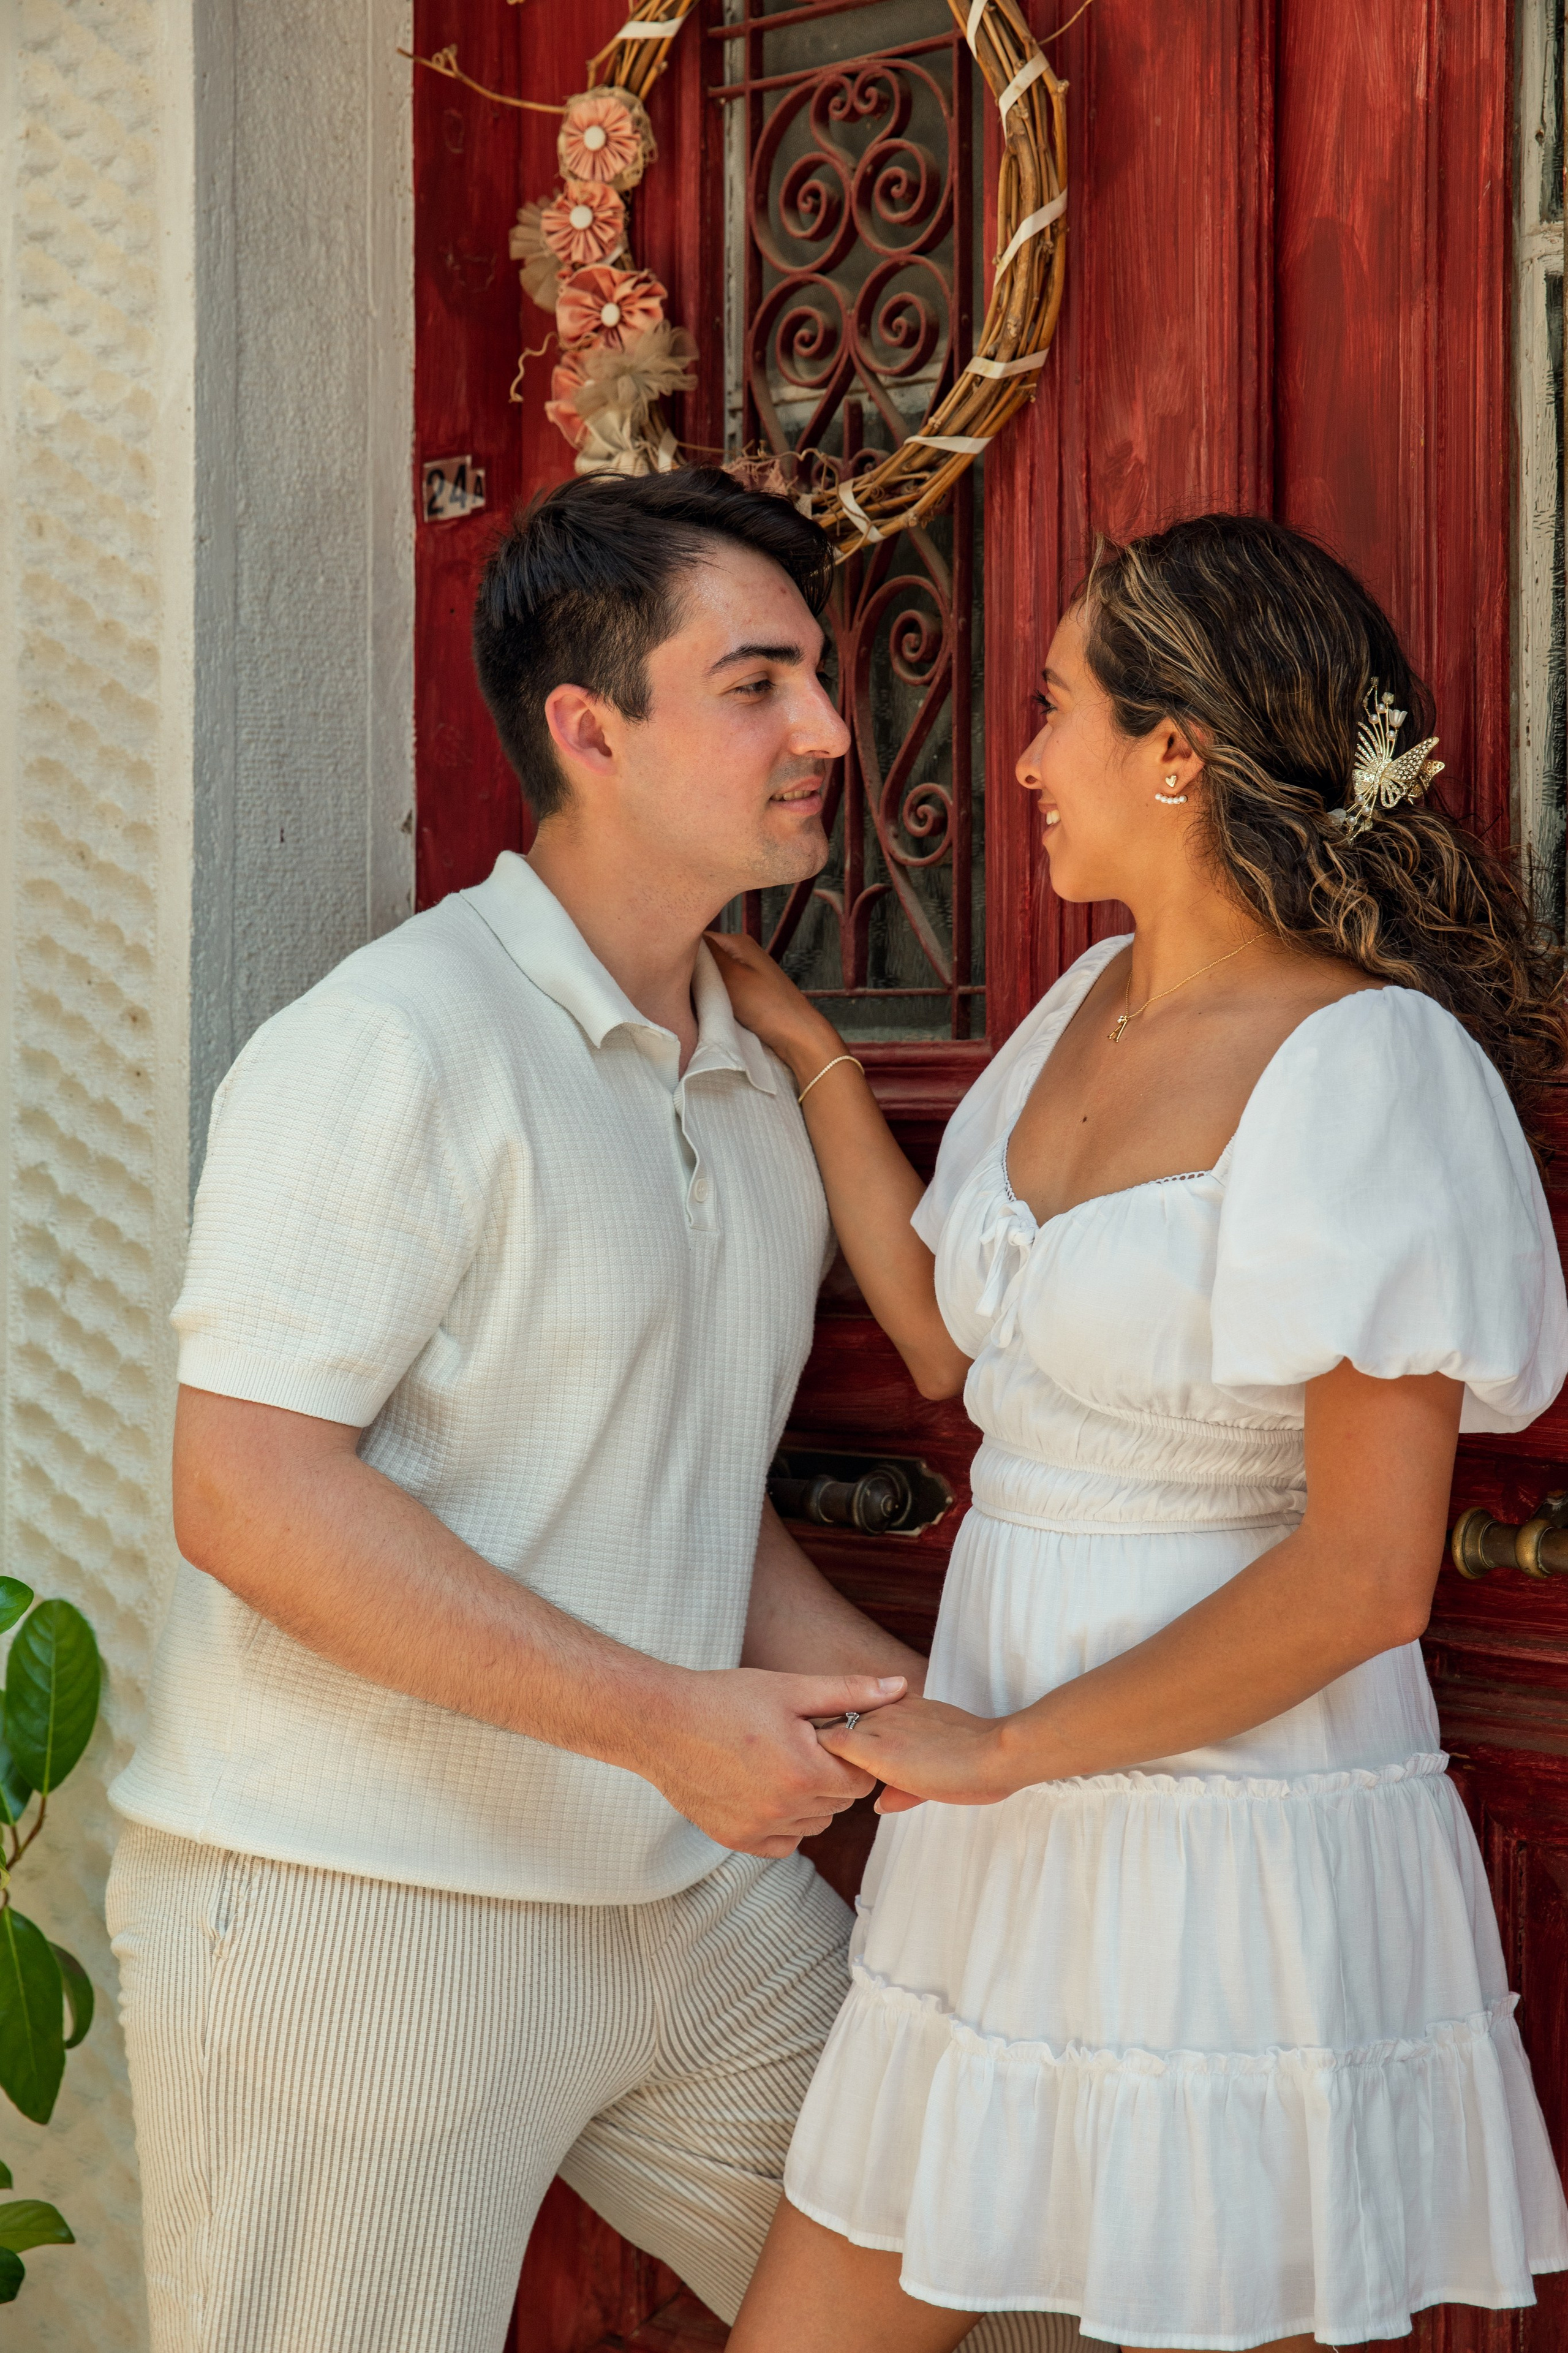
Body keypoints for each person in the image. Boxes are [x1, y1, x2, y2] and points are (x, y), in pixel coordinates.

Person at [104, 469, 1068, 2353]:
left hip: (685, 1905)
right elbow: (245, 1488)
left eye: (820, 677)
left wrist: (958, 1742)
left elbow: (680, 1485)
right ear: (589, 729)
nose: (828, 729)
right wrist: (665, 1722)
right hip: (357, 1909)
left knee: (1016, 2305)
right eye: (759, 681)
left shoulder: (746, 1073)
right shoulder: (388, 1045)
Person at [709, 514, 1568, 2353]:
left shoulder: (1371, 1068)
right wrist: (801, 1048)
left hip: (1236, 1827)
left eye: (1053, 711)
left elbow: (1360, 1578)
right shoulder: (1077, 1008)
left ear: (1178, 754)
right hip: (1001, 1816)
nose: (1016, 760)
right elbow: (952, 1345)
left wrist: (1010, 1744)